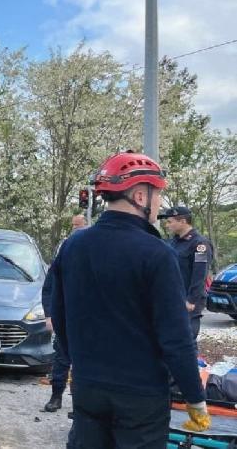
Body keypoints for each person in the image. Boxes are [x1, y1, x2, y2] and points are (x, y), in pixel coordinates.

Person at [49, 151, 210, 447]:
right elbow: (175, 337)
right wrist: (194, 397)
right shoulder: (158, 254)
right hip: (140, 394)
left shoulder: (73, 246)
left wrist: (77, 360)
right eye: (158, 195)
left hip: (88, 386)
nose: (159, 204)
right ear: (139, 195)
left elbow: (58, 314)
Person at [41, 213, 88, 412]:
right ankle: (56, 397)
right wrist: (49, 314)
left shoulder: (96, 258)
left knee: (85, 366)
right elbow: (49, 286)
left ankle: (81, 404)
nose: (75, 229)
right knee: (61, 360)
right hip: (67, 318)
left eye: (78, 226)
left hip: (89, 320)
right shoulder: (63, 253)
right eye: (73, 227)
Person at [159, 206, 213, 350]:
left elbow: (199, 275)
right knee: (171, 341)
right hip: (173, 299)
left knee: (186, 342)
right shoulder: (173, 242)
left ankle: (192, 371)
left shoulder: (199, 244)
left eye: (170, 222)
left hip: (188, 302)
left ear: (183, 221)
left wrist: (191, 301)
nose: (167, 225)